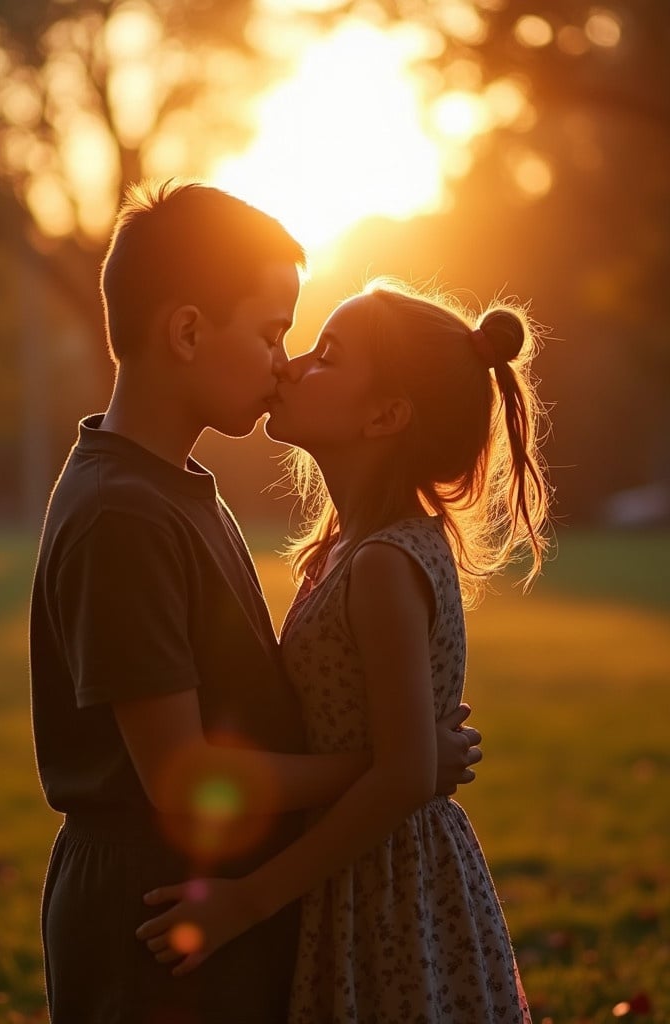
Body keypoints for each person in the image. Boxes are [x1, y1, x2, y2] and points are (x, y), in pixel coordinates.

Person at [29, 183, 482, 1024]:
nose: (285, 360)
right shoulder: (124, 516)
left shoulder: (179, 490)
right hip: (157, 912)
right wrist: (393, 768)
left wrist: (400, 765)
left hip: (208, 892)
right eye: (273, 332)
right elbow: (181, 774)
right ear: (189, 330)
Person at [136, 278, 551, 1023]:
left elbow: (402, 778)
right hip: (351, 868)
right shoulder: (340, 551)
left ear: (386, 414)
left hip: (387, 885)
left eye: (326, 356)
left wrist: (244, 904)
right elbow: (403, 761)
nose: (291, 366)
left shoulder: (385, 566)